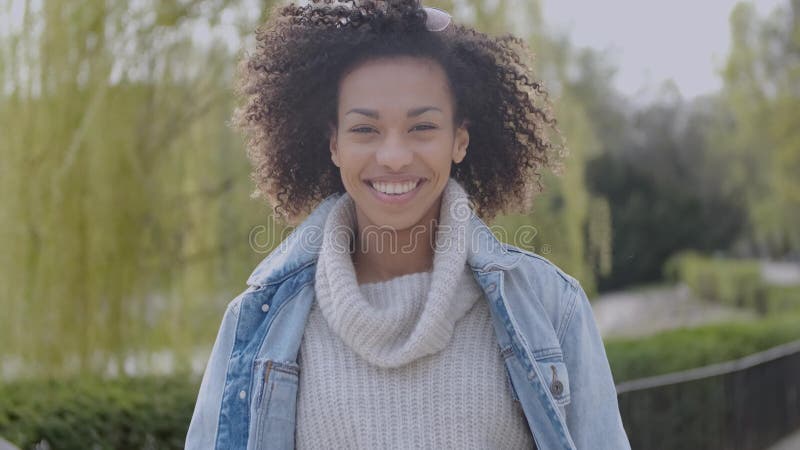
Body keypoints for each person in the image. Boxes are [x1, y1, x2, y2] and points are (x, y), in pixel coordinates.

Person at [186, 1, 630, 449]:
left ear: (459, 139)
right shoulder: (256, 320)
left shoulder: (554, 306)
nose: (394, 156)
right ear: (333, 143)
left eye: (422, 128)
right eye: (365, 130)